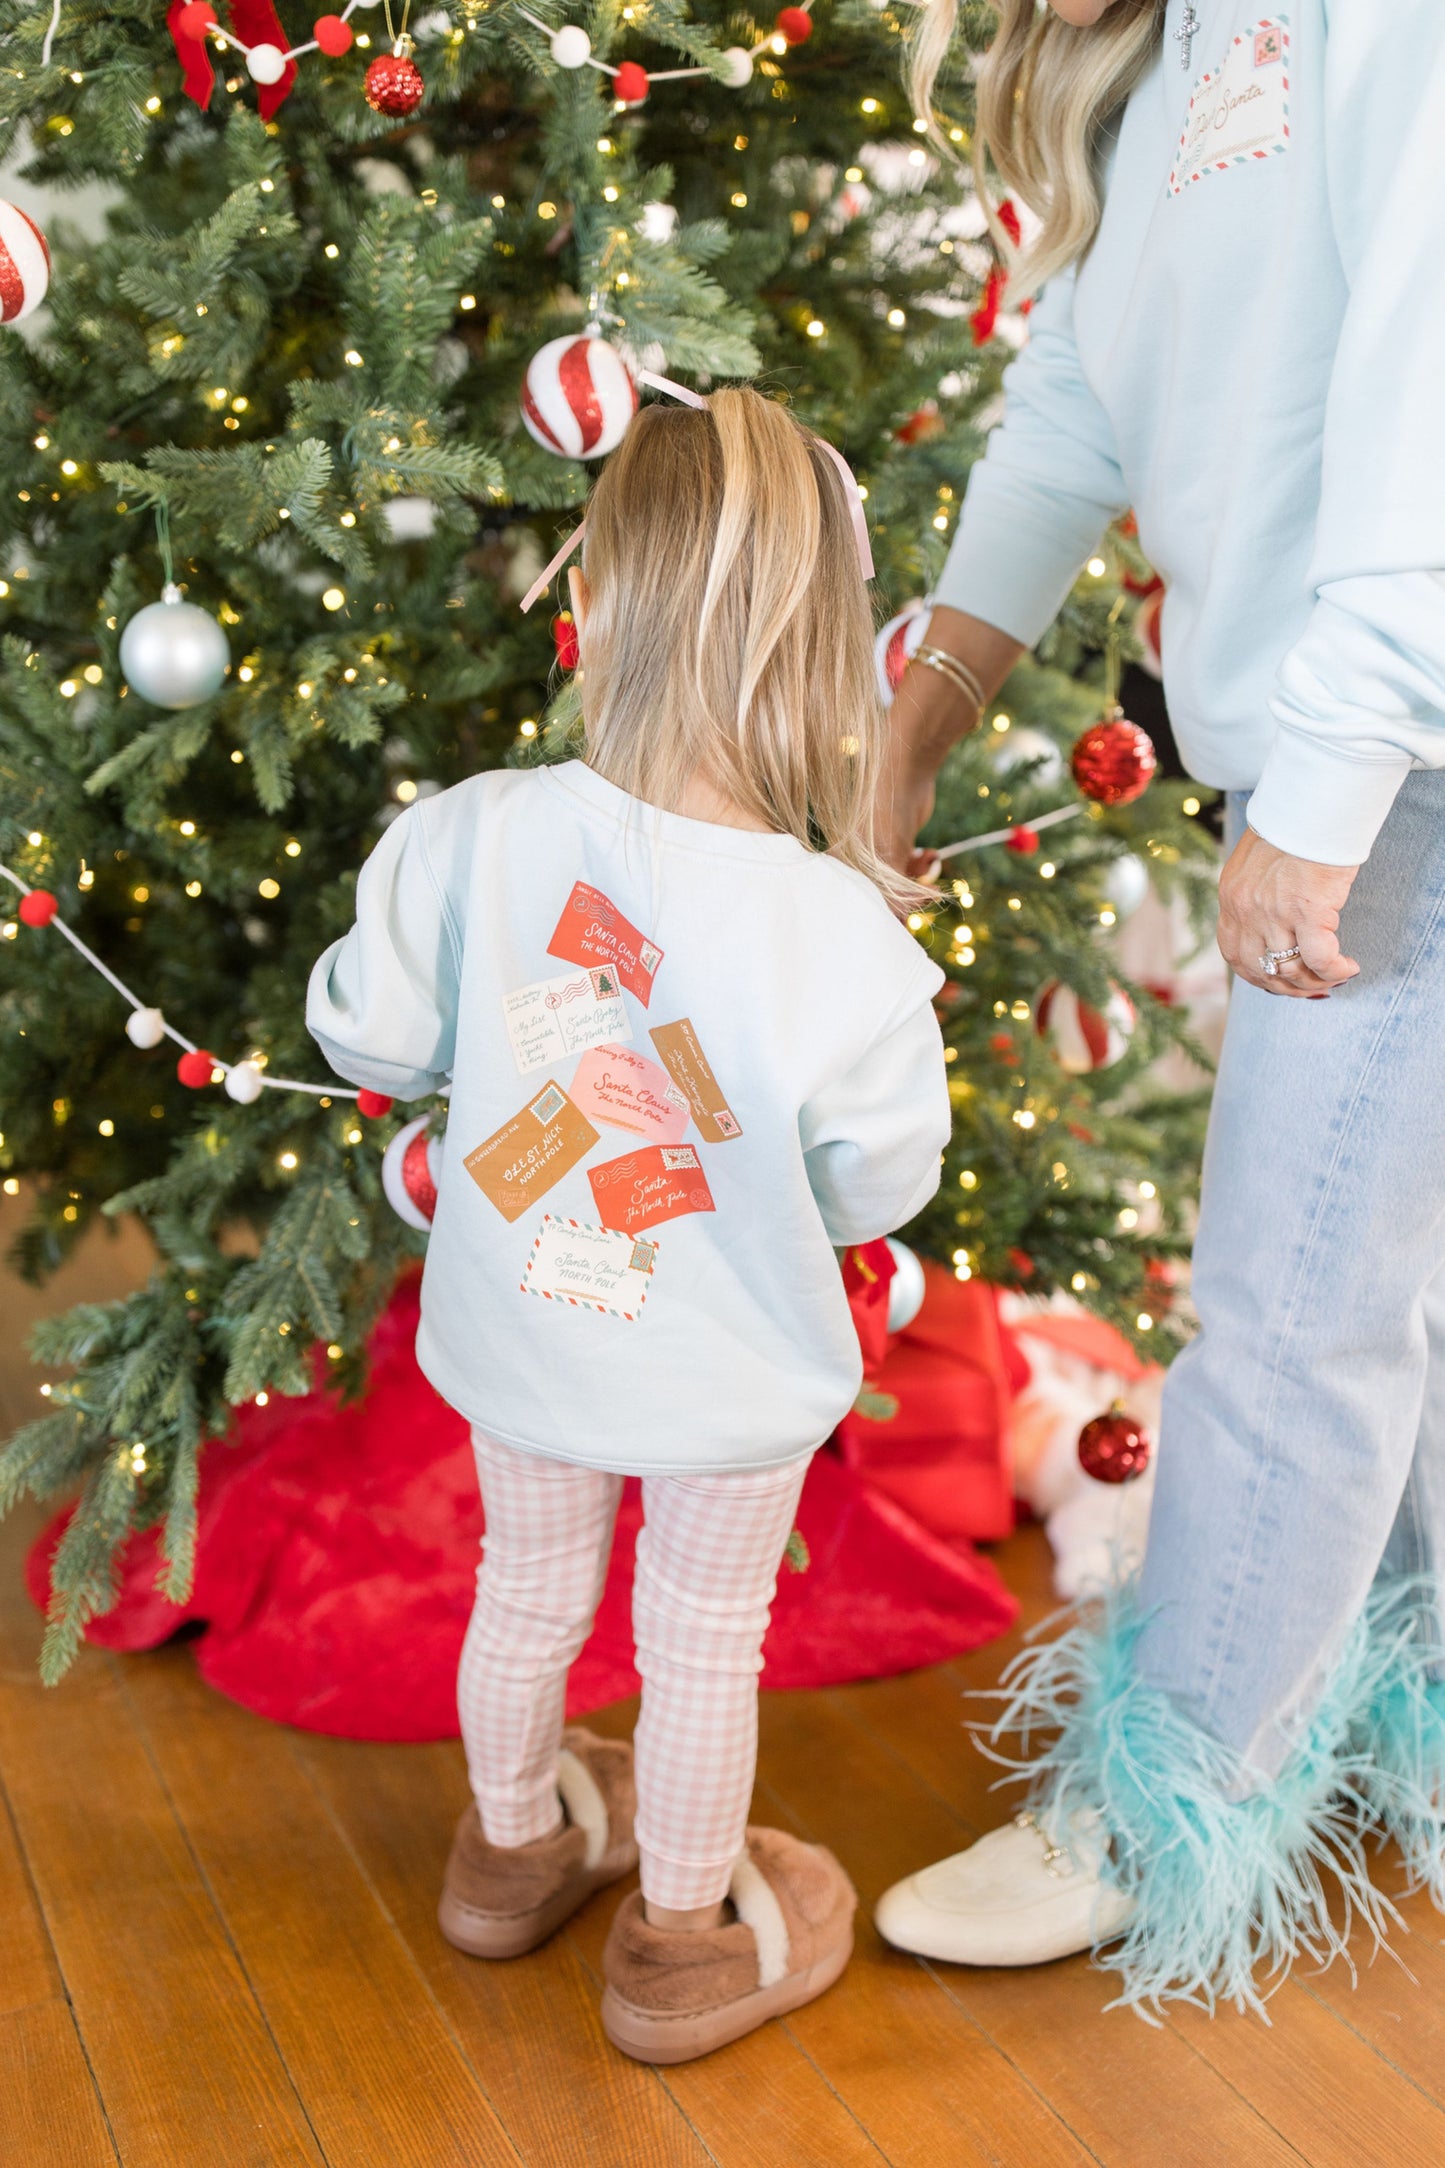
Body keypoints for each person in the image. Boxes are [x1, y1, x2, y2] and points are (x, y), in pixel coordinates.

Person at [874, 0, 1445, 2015]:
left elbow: (1431, 379)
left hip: (1399, 757)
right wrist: (922, 710)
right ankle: (1401, 1690)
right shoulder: (1165, 58)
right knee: (1375, 1270)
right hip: (1341, 749)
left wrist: (1332, 779)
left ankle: (1164, 1793)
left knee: (1293, 1301)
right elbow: (1073, 408)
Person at [306, 386, 951, 2061]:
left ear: (589, 602)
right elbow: (877, 1187)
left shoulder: (471, 831)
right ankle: (676, 1940)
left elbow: (367, 1038)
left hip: (525, 1326)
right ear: (820, 645)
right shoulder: (842, 937)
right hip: (728, 1370)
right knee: (701, 1642)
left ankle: (508, 1849)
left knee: (524, 1588)